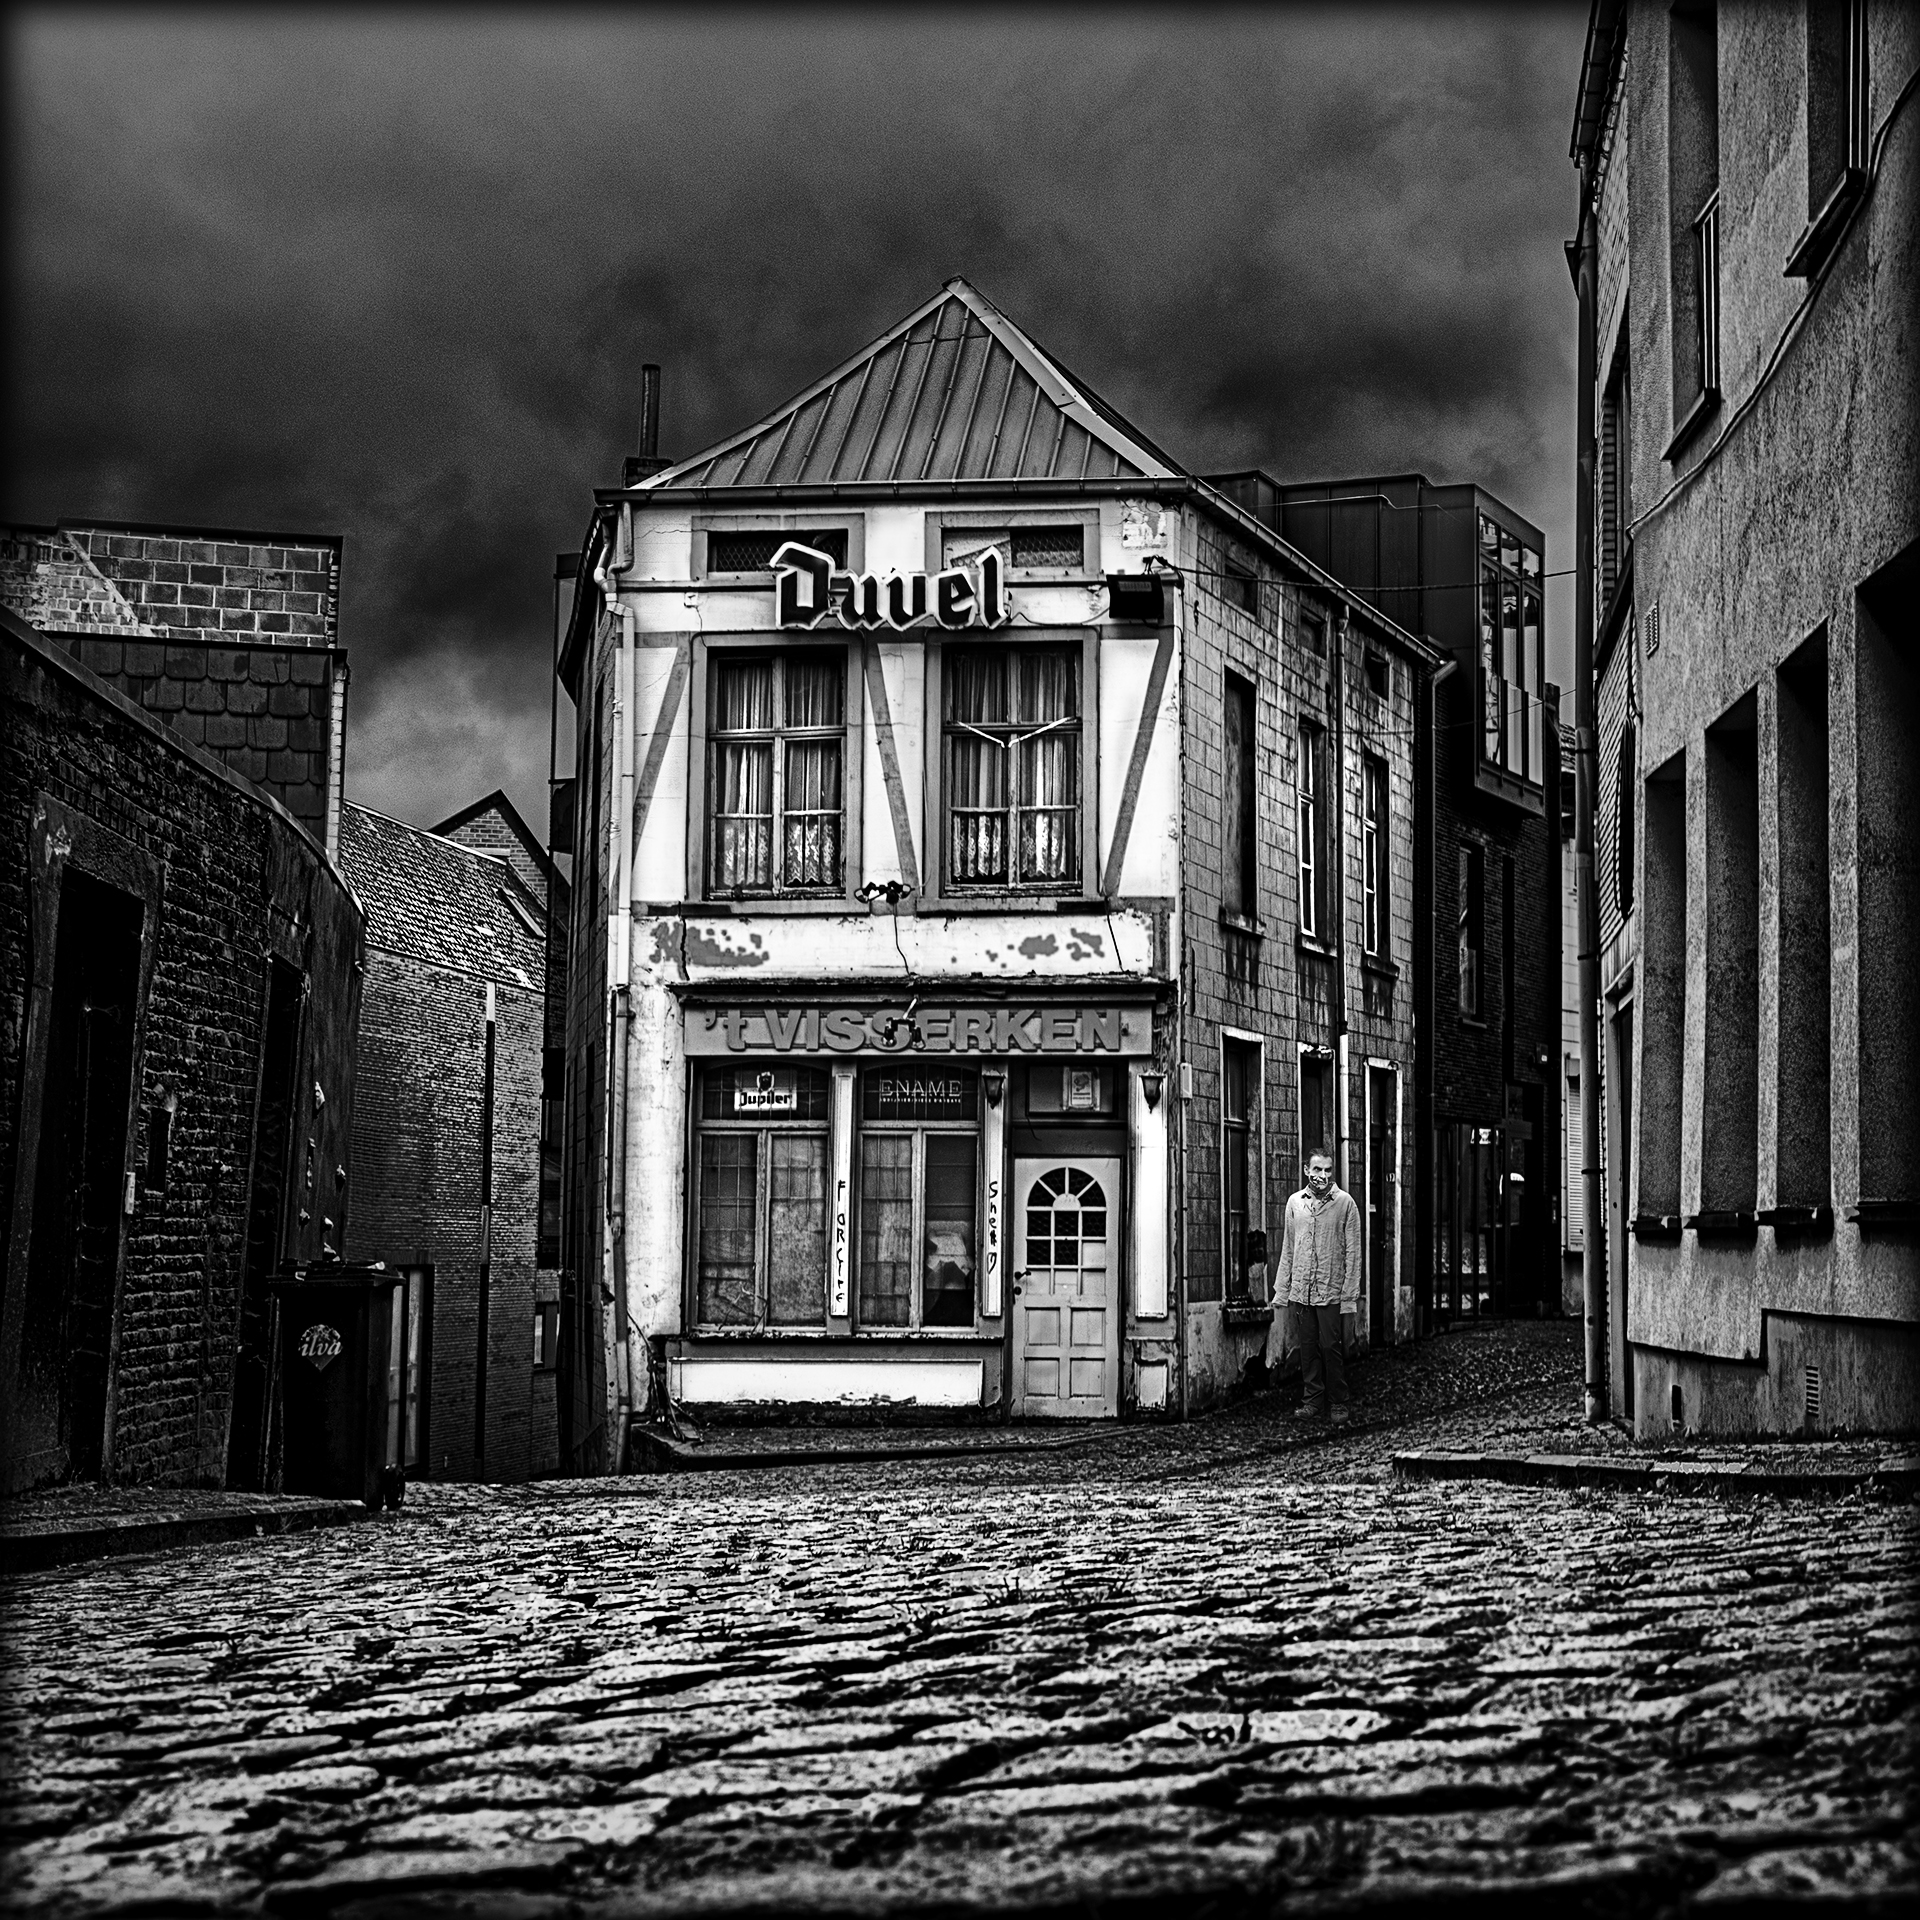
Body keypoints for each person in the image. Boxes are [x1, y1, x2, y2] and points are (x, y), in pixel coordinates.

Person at [1275, 1146, 1361, 1424]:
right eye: (1317, 1169)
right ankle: (1312, 1399)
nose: (1322, 1175)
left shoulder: (1345, 1204)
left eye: (1327, 1170)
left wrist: (1349, 1296)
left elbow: (1353, 1253)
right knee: (1308, 1347)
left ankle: (1338, 1401)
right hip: (1303, 1289)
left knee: (1330, 1347)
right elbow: (1289, 1247)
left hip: (1330, 1289)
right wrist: (1283, 1289)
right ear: (1306, 1170)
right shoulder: (1295, 1203)